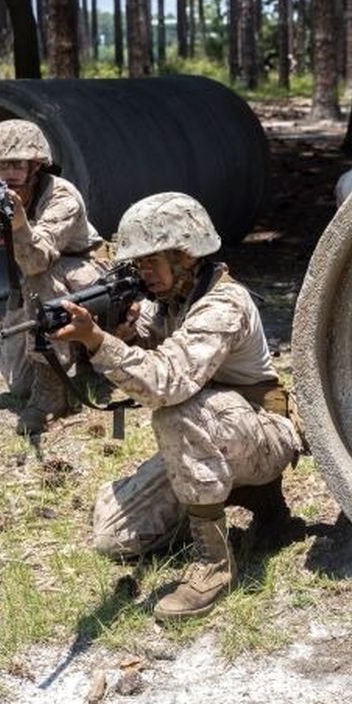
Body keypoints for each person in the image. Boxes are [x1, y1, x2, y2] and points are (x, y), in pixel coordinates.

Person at [53, 192, 303, 621]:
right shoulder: (170, 301)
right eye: (138, 263)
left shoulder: (225, 305)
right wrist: (120, 330)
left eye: (151, 261)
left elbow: (165, 383)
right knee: (113, 539)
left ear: (186, 255)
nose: (142, 272)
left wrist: (98, 342)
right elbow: (147, 336)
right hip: (219, 433)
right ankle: (241, 502)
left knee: (175, 411)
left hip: (263, 433)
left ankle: (214, 564)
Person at [0, 119, 108, 435]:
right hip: (34, 283)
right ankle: (68, 354)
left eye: (19, 163)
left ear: (36, 165)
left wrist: (21, 224)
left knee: (36, 279)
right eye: (2, 163)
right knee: (19, 384)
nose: (10, 170)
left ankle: (52, 392)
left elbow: (38, 261)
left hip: (85, 278)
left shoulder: (61, 195)